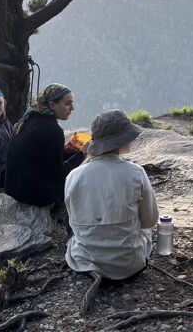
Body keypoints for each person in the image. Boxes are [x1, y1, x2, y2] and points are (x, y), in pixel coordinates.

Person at [64, 110, 158, 283]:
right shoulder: (136, 173)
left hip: (84, 263)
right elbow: (150, 221)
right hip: (129, 266)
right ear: (122, 139)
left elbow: (73, 218)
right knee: (145, 229)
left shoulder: (74, 175)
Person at [4, 84, 86, 206]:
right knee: (82, 173)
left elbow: (40, 157)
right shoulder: (53, 130)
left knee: (72, 155)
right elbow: (59, 174)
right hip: (35, 196)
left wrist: (64, 150)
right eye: (68, 103)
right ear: (52, 105)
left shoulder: (28, 119)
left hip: (14, 189)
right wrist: (82, 154)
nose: (72, 108)